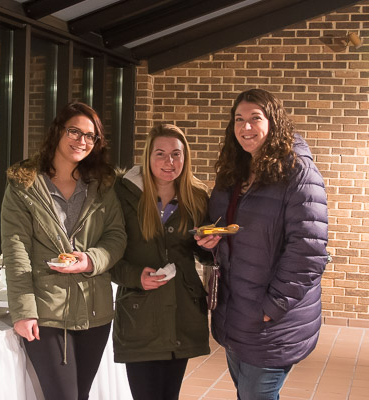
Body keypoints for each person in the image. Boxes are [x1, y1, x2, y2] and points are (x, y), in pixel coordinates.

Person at [197, 88, 329, 400]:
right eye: (238, 119)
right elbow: (222, 229)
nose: (245, 127)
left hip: (271, 322)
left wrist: (272, 307)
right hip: (236, 313)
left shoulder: (298, 172)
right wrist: (208, 239)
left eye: (255, 119)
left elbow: (309, 251)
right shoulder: (233, 172)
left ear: (273, 122)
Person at [0, 101, 127, 400]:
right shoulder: (25, 185)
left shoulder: (103, 184)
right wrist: (23, 310)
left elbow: (116, 237)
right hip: (46, 313)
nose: (81, 141)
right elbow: (15, 249)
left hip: (95, 313)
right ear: (57, 131)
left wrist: (89, 260)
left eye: (90, 136)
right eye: (74, 131)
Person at [112, 123, 211, 400]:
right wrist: (134, 277)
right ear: (148, 155)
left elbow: (203, 254)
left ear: (185, 157)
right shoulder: (122, 194)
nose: (169, 162)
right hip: (140, 315)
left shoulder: (197, 196)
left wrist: (210, 246)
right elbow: (107, 254)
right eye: (160, 154)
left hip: (182, 314)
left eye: (176, 154)